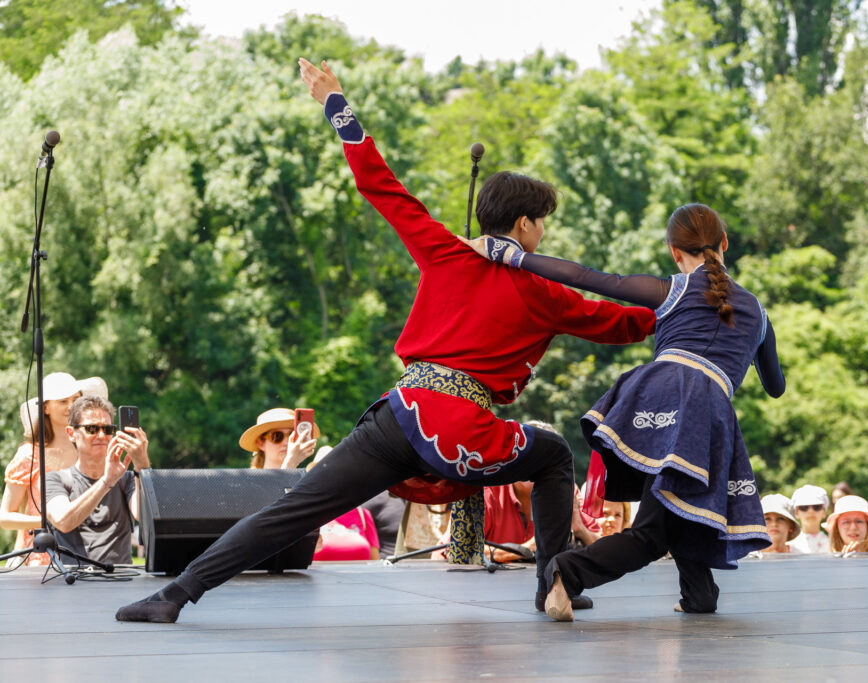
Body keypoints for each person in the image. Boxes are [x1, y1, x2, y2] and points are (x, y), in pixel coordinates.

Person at [114, 59, 655, 624]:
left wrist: (335, 103)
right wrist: (681, 314)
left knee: (295, 509)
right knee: (550, 456)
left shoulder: (444, 250)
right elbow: (619, 322)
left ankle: (173, 596)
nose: (544, 232)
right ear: (523, 225)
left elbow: (382, 185)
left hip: (399, 413)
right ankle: (552, 582)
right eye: (541, 222)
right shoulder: (543, 290)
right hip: (458, 422)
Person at [461, 201, 785, 621]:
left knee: (681, 508)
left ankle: (698, 593)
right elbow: (775, 387)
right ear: (725, 242)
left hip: (657, 394)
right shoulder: (757, 313)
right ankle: (567, 572)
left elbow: (585, 277)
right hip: (707, 412)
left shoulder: (671, 290)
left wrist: (510, 255)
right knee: (654, 532)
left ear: (674, 251)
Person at [0, 373, 105, 566]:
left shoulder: (91, 453)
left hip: (85, 556)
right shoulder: (29, 455)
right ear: (46, 407)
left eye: (76, 399)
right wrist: (48, 520)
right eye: (63, 401)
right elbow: (4, 517)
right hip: (38, 558)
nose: (71, 406)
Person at [45, 395, 150, 565]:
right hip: (74, 582)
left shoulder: (128, 478)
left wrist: (142, 465)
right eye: (92, 429)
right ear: (71, 433)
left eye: (108, 429)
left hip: (120, 580)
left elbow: (143, 516)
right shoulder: (55, 479)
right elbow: (63, 522)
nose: (101, 435)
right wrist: (107, 482)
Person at [241, 408, 319, 470]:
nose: (286, 442)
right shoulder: (251, 481)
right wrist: (291, 462)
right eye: (277, 436)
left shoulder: (304, 479)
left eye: (292, 435)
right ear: (260, 443)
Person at [787, 484, 830, 554]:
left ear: (824, 512)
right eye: (804, 507)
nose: (811, 511)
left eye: (817, 507)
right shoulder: (788, 545)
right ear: (797, 512)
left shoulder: (833, 544)